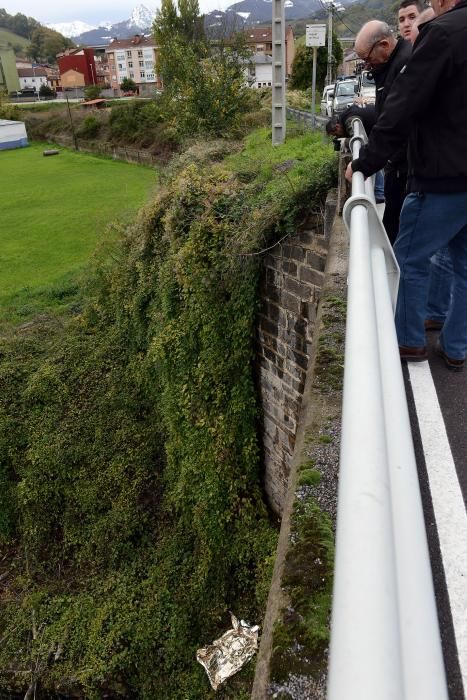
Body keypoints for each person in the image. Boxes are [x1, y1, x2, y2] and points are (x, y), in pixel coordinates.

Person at [346, 0, 467, 370]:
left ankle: (409, 342)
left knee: (409, 258)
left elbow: (402, 106)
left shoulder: (444, 34)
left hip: (442, 176)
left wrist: (365, 162)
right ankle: (455, 347)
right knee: (464, 265)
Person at [354, 21, 412, 244]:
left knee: (400, 239)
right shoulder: (392, 66)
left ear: (385, 44)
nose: (367, 66)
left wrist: (364, 163)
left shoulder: (404, 66)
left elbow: (393, 122)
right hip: (399, 163)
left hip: (406, 167)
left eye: (367, 59)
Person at [326, 105, 385, 203]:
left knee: (373, 158)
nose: (337, 136)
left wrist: (345, 141)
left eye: (336, 134)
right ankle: (379, 192)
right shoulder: (344, 117)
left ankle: (379, 193)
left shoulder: (350, 121)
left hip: (382, 127)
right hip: (379, 124)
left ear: (337, 127)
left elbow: (358, 139)